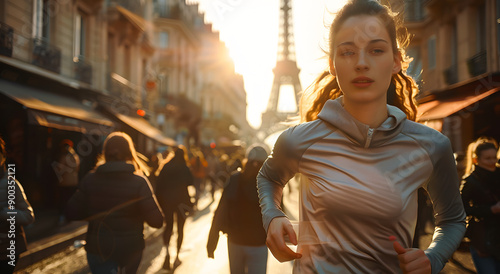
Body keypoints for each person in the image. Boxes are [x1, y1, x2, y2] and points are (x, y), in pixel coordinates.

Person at [257, 0, 466, 273]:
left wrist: (434, 257)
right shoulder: (298, 141)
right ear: (332, 65)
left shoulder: (432, 146)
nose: (361, 63)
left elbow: (452, 220)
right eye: (347, 52)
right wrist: (273, 216)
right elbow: (269, 176)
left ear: (395, 62)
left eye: (376, 50)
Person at [66, 132, 163, 274]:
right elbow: (157, 221)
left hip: (98, 248)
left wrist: (94, 211)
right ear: (130, 153)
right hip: (130, 249)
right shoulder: (140, 182)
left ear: (105, 153)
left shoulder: (90, 179)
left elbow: (71, 212)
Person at [207, 145, 269, 274]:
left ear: (246, 160)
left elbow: (220, 212)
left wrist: (212, 243)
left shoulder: (234, 179)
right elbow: (278, 215)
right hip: (259, 243)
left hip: (236, 241)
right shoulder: (270, 183)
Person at [460, 138, 500, 273]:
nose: (493, 162)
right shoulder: (470, 181)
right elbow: (461, 209)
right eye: (488, 158)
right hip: (482, 238)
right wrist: (490, 210)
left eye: (494, 157)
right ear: (476, 159)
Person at [155, 146, 194, 270]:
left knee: (169, 227)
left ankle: (167, 253)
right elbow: (190, 182)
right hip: (181, 202)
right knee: (180, 228)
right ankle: (177, 257)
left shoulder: (166, 167)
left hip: (167, 202)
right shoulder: (184, 167)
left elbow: (159, 185)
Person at [0, 136, 35, 273]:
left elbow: (28, 216)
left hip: (7, 250)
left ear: (3, 157)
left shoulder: (11, 184)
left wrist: (5, 214)